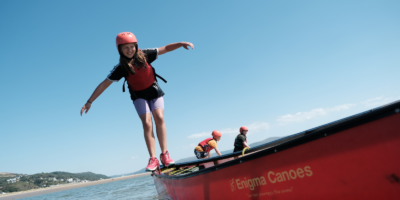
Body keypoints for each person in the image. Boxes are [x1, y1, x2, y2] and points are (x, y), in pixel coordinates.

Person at [80, 32, 194, 171]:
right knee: (147, 123)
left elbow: (165, 48)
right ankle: (153, 158)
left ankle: (165, 155)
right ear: (120, 50)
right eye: (125, 48)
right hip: (138, 95)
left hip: (154, 91)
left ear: (136, 46)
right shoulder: (121, 67)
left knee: (159, 117)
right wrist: (89, 101)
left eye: (132, 47)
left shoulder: (145, 54)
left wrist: (181, 43)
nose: (129, 50)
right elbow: (104, 84)